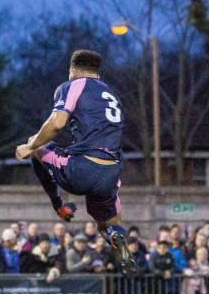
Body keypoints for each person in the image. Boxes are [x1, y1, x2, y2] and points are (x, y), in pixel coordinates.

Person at [16, 49, 134, 277]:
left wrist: (30, 147)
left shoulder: (73, 86)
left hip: (81, 168)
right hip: (110, 173)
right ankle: (116, 237)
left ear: (73, 71)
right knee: (106, 227)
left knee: (36, 146)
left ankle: (58, 205)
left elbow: (56, 123)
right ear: (97, 73)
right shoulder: (112, 95)